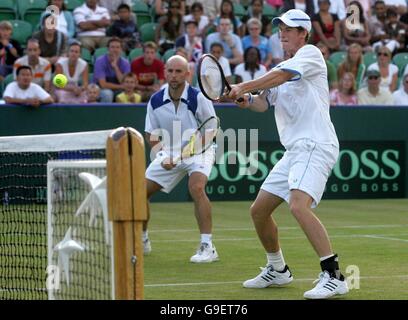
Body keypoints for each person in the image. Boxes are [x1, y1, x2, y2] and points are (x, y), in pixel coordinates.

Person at [227, 9, 349, 299]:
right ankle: (277, 269)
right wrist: (245, 100)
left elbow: (280, 76)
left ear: (303, 32)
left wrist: (244, 85)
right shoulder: (281, 68)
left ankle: (334, 275)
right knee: (259, 210)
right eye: (280, 27)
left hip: (316, 144)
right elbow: (261, 104)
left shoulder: (311, 54)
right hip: (294, 150)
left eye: (289, 28)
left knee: (298, 205)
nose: (282, 32)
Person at [144, 55, 219, 263]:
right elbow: (151, 134)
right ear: (165, 73)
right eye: (170, 71)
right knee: (139, 192)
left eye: (179, 72)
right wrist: (164, 154)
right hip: (169, 152)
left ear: (188, 74)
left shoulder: (198, 97)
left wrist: (187, 153)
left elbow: (211, 130)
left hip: (201, 151)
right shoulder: (156, 100)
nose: (174, 75)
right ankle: (142, 239)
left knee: (196, 187)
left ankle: (207, 246)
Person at [93, 37, 131, 103]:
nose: (115, 50)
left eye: (117, 47)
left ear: (121, 49)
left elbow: (125, 83)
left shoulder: (125, 63)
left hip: (119, 89)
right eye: (112, 47)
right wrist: (121, 86)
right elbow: (103, 84)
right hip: (100, 89)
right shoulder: (100, 61)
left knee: (128, 93)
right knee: (108, 94)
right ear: (108, 49)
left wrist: (116, 68)